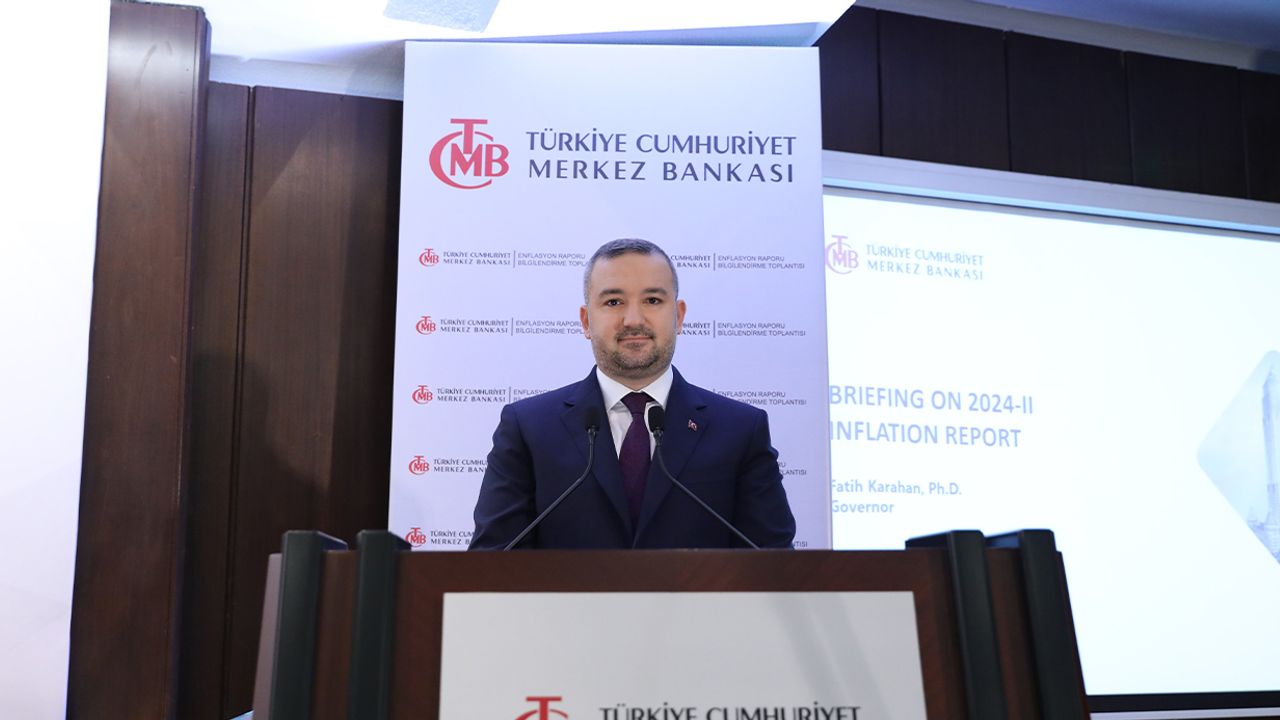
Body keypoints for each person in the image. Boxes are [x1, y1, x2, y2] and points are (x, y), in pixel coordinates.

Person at [468, 238, 795, 549]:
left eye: (652, 300)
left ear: (679, 316)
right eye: (614, 302)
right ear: (586, 321)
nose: (633, 320)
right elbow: (494, 561)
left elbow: (773, 565)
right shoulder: (529, 428)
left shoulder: (740, 430)